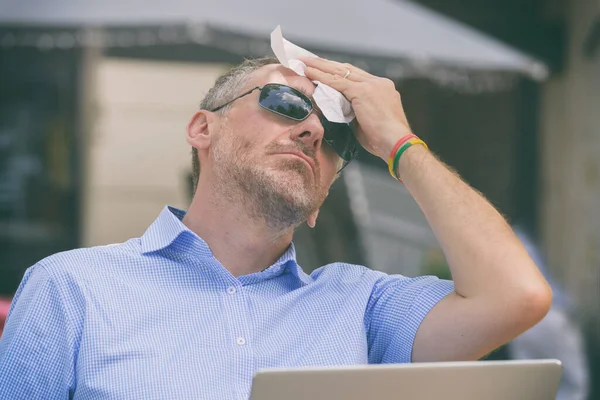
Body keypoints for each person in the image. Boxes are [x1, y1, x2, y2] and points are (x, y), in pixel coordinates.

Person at [0, 56, 552, 399]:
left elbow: (516, 296)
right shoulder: (69, 289)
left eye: (338, 138)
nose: (313, 129)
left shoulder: (361, 306)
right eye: (287, 102)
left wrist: (397, 142)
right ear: (201, 129)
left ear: (323, 197)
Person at [508, 226, 589, 400]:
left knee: (528, 380)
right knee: (572, 381)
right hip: (549, 314)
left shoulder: (504, 243)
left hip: (519, 320)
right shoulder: (519, 241)